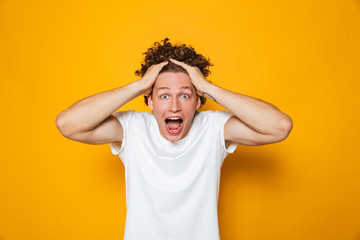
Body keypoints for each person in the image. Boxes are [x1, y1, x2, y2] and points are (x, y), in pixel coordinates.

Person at [56, 38, 293, 240]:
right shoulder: (133, 128)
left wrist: (207, 87)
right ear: (150, 101)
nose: (174, 107)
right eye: (164, 95)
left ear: (198, 101)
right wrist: (139, 86)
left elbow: (279, 127)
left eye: (185, 95)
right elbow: (68, 124)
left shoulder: (213, 127)